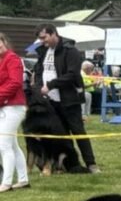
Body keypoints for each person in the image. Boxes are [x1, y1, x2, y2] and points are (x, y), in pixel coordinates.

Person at [32, 24, 99, 174]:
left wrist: (51, 85)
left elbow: (72, 74)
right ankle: (67, 165)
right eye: (40, 38)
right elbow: (39, 72)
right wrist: (38, 88)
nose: (43, 41)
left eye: (44, 37)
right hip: (50, 102)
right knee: (59, 135)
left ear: (53, 33)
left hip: (69, 100)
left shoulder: (70, 51)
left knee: (78, 132)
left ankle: (91, 164)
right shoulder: (43, 51)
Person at [0, 32, 30, 192]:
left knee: (3, 145)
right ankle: (23, 180)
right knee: (12, 145)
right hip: (5, 107)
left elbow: (15, 83)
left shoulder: (12, 59)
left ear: (4, 42)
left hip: (14, 107)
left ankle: (6, 182)